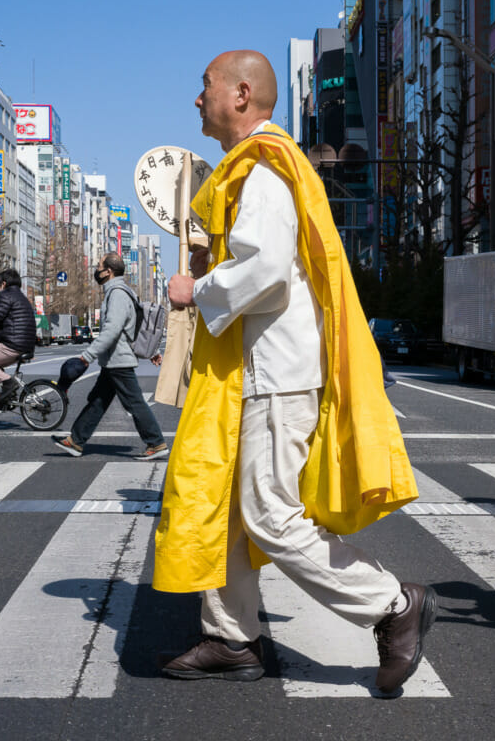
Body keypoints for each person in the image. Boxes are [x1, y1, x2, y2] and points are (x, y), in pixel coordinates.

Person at [156, 50, 430, 696]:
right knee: (231, 507)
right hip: (257, 367)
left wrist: (195, 289)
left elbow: (266, 267)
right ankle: (230, 636)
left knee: (269, 514)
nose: (197, 99)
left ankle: (392, 604)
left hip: (273, 370)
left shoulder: (263, 169)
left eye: (206, 86)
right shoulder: (254, 168)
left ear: (242, 94)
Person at [52, 252, 167, 460]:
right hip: (113, 359)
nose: (96, 270)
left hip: (118, 360)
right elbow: (135, 325)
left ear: (108, 271)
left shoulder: (118, 294)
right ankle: (76, 441)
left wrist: (87, 355)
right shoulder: (122, 292)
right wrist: (152, 351)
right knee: (98, 400)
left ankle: (156, 442)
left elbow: (113, 329)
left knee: (134, 403)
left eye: (99, 266)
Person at [0, 268, 37, 409]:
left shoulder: (5, 296)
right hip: (25, 344)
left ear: (3, 284)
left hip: (12, 344)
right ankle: (7, 396)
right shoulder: (21, 297)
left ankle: (8, 383)